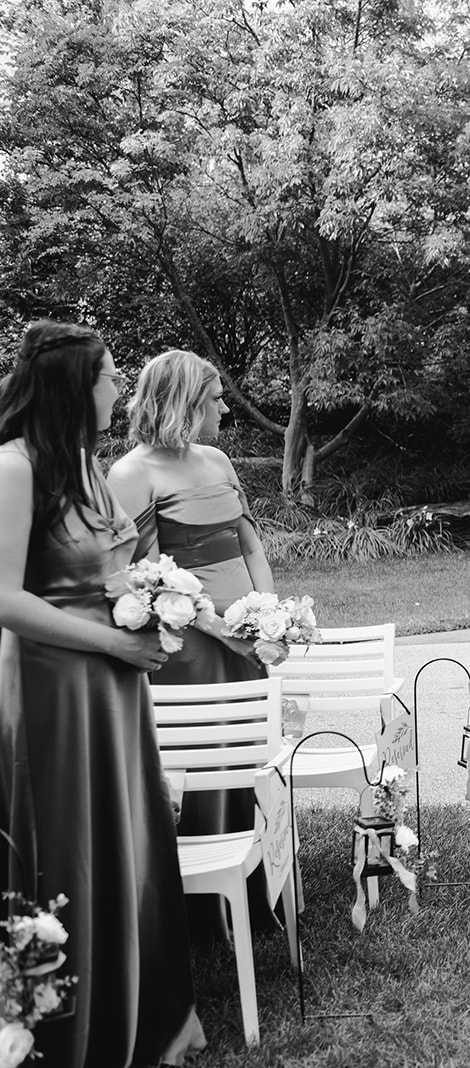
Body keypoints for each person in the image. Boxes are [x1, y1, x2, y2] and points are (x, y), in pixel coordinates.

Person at [0, 321, 205, 1066]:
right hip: (53, 690)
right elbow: (5, 599)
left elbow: (127, 567)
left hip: (114, 689)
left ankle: (141, 1013)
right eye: (111, 376)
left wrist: (178, 612)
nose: (121, 388)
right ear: (74, 387)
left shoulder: (86, 466)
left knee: (124, 835)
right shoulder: (14, 468)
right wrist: (117, 643)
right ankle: (68, 1027)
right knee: (68, 843)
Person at [109, 348, 276, 938]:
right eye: (216, 399)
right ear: (185, 403)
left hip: (247, 637)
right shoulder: (132, 474)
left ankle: (256, 890)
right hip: (192, 647)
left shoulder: (218, 460)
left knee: (250, 758)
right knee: (205, 759)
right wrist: (223, 631)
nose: (225, 409)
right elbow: (151, 575)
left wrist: (267, 618)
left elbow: (251, 546)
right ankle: (202, 910)